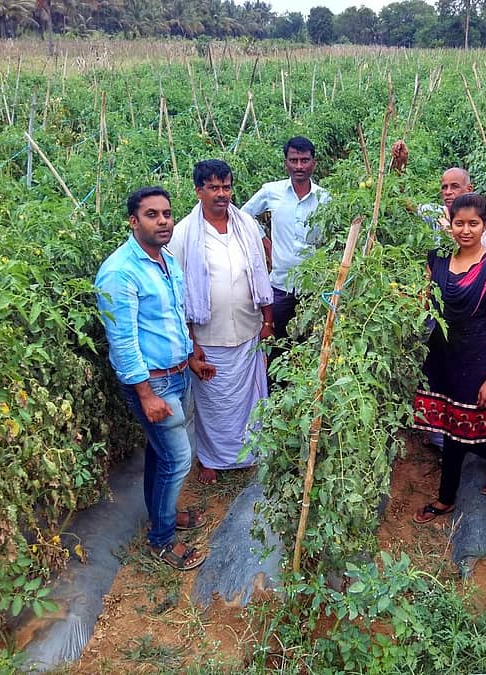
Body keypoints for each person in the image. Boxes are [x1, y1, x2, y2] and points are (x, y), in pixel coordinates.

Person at [95, 186, 212, 571]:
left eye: (166, 213)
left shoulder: (165, 259)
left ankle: (163, 516)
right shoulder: (119, 272)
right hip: (154, 383)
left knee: (163, 455)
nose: (163, 221)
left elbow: (175, 316)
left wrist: (191, 356)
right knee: (179, 458)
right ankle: (161, 540)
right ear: (133, 221)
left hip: (177, 374)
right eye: (152, 215)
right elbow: (123, 342)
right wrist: (145, 394)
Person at [412, 193, 486, 524]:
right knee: (450, 426)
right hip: (443, 354)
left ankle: (451, 496)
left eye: (474, 223)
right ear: (450, 224)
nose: (466, 230)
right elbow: (425, 303)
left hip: (477, 359)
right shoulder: (439, 260)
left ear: (485, 226)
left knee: (466, 429)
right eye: (459, 223)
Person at [168, 160, 274, 486]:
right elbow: (177, 290)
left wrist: (267, 323)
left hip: (247, 327)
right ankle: (211, 460)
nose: (221, 194)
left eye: (226, 187)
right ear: (198, 190)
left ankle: (250, 451)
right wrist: (191, 341)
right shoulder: (184, 233)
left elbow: (261, 272)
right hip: (208, 335)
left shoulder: (245, 225)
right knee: (212, 401)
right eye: (213, 187)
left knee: (247, 397)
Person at [242, 136, 331, 340]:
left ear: (313, 163)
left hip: (313, 288)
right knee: (277, 342)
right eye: (293, 160)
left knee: (310, 342)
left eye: (304, 160)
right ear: (286, 163)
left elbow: (333, 238)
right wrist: (265, 243)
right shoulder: (272, 191)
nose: (299, 166)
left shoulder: (325, 198)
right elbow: (244, 215)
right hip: (280, 285)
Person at [417, 167, 486, 251]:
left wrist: (449, 230)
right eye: (444, 187)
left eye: (455, 186)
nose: (448, 192)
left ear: (469, 189)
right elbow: (410, 206)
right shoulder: (435, 213)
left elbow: (483, 260)